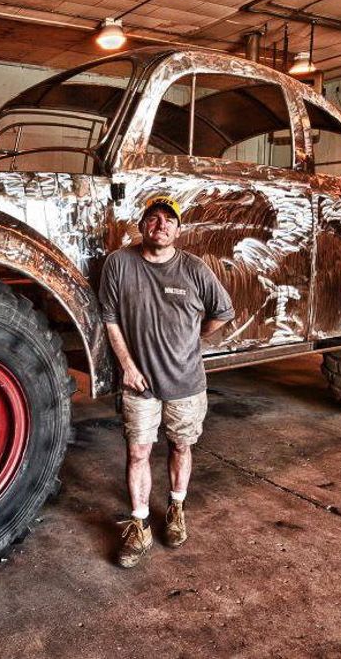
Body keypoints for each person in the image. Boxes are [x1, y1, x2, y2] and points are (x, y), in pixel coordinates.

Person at [99, 194, 235, 568]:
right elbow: (109, 317)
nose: (161, 226)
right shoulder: (119, 263)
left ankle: (176, 508)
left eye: (169, 220)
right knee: (138, 451)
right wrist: (127, 365)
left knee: (180, 446)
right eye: (154, 219)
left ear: (179, 229)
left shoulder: (193, 269)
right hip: (138, 383)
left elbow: (223, 312)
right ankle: (139, 524)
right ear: (143, 225)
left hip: (186, 384)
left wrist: (194, 340)